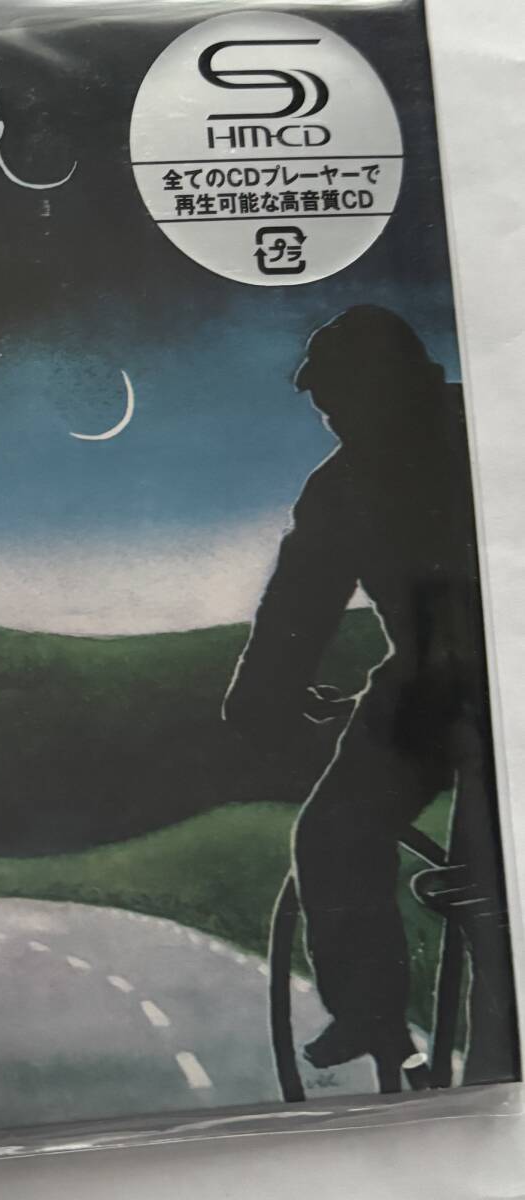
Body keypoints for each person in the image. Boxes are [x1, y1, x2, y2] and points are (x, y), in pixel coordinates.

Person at [222, 306, 516, 1083]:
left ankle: (482, 1055)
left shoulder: (485, 428)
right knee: (333, 833)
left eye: (340, 398)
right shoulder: (342, 483)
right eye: (324, 405)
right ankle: (372, 1014)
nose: (331, 418)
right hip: (424, 684)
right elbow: (299, 600)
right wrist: (263, 694)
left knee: (486, 878)